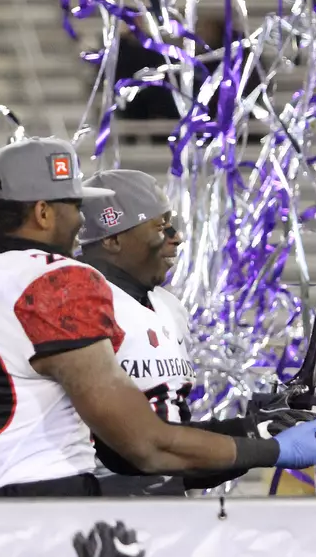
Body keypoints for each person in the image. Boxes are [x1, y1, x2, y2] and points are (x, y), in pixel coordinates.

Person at [0, 136, 316, 497]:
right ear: (43, 212)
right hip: (45, 512)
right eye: (74, 205)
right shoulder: (56, 282)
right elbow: (146, 446)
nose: (80, 221)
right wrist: (272, 450)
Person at [76, 168, 259, 495]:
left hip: (160, 507)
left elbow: (173, 439)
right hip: (92, 512)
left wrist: (260, 428)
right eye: (160, 226)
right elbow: (138, 454)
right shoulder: (79, 304)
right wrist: (264, 445)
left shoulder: (167, 307)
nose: (176, 236)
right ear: (113, 238)